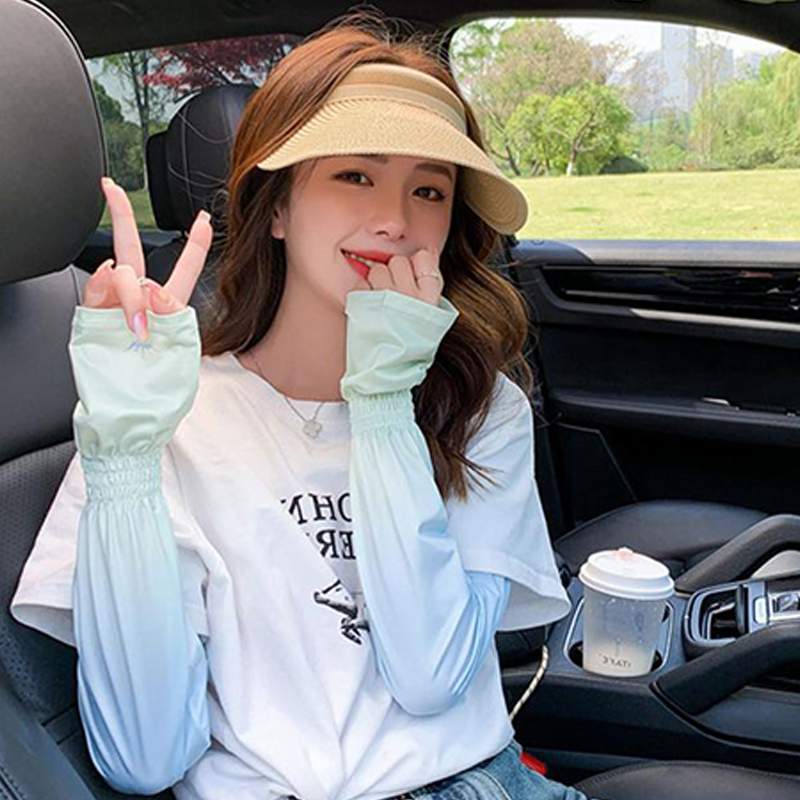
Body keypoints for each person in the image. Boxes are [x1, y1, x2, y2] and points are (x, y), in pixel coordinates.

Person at [10, 14, 588, 800]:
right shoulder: (160, 411)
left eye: (429, 189)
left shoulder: (481, 410)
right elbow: (143, 756)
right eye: (355, 175)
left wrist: (383, 404)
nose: (396, 219)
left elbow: (432, 676)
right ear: (278, 208)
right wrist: (124, 453)